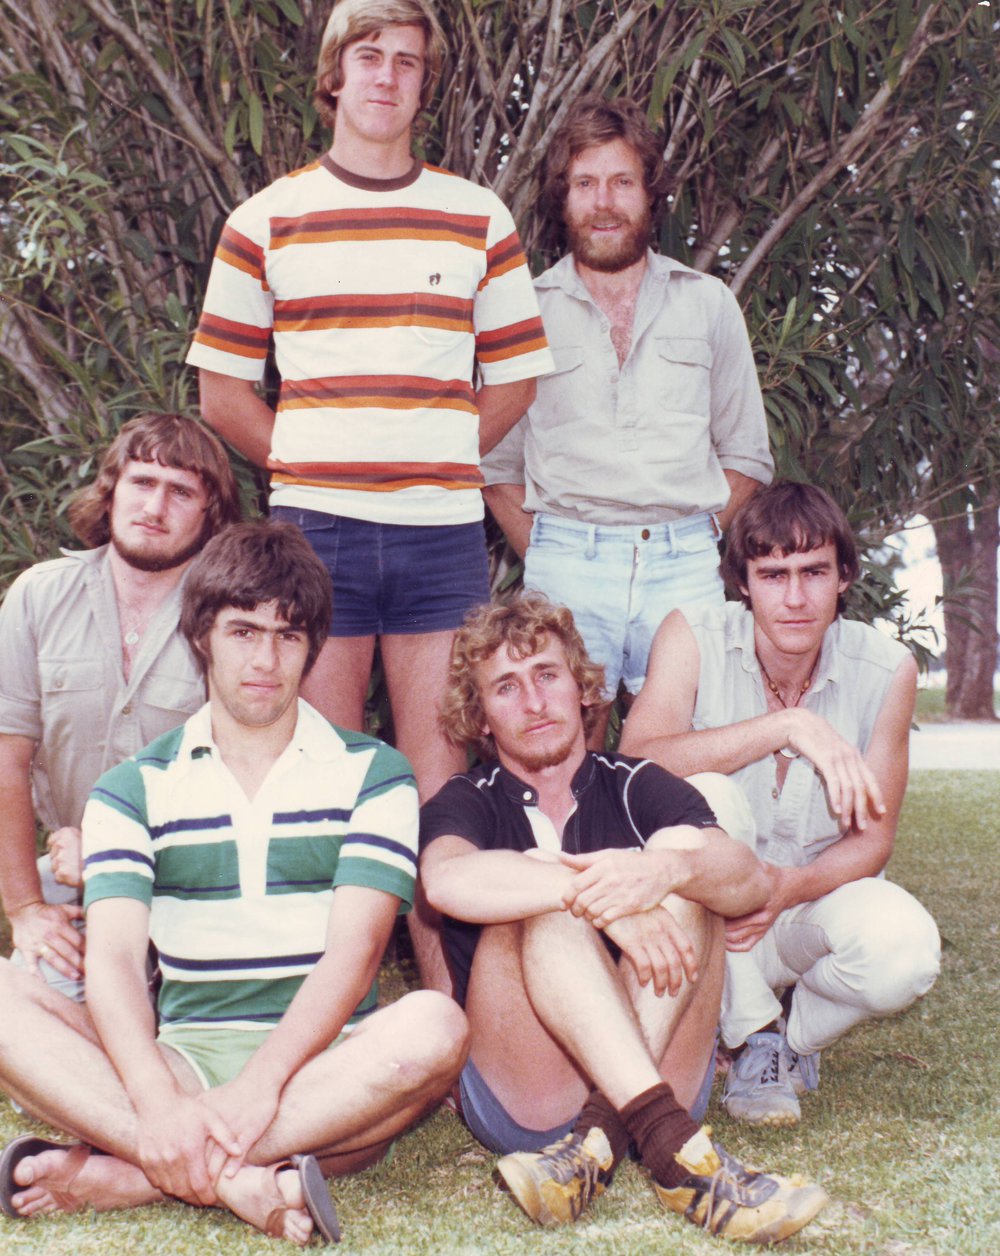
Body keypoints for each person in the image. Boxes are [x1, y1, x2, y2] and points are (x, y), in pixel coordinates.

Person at [0, 521, 468, 1247]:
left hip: (323, 1070)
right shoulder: (131, 788)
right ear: (202, 637)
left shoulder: (374, 773)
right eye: (244, 632)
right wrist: (157, 1101)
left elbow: (355, 956)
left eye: (288, 635)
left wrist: (261, 1088)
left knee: (435, 1024)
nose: (266, 659)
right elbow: (116, 961)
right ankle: (232, 1176)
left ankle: (138, 1171)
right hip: (181, 1057)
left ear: (313, 647)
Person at [186, 0, 553, 808]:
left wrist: (439, 458)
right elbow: (222, 394)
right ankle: (329, 938)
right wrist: (318, 467)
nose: (387, 75)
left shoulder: (478, 217)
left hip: (442, 534)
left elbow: (517, 379)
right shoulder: (262, 220)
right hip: (315, 533)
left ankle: (434, 939)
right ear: (334, 75)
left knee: (439, 781)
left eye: (407, 61)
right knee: (317, 770)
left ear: (426, 86)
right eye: (369, 57)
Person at [419, 594, 828, 1243]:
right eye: (506, 687)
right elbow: (446, 880)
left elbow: (747, 880)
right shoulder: (467, 799)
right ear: (482, 718)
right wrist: (601, 902)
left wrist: (665, 874)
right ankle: (673, 1150)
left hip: (666, 1070)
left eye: (547, 675)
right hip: (521, 1094)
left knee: (692, 873)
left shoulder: (637, 783)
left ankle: (605, 1133)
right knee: (545, 908)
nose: (534, 701)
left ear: (581, 688)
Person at [622, 482, 941, 1127]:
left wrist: (784, 888)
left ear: (844, 576)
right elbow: (634, 763)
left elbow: (874, 842)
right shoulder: (693, 634)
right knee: (707, 798)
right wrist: (783, 728)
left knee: (906, 951)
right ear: (742, 582)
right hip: (709, 916)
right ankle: (748, 1033)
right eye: (772, 575)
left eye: (813, 572)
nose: (794, 598)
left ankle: (787, 1043)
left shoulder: (885, 668)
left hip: (799, 905)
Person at [482, 96, 773, 742]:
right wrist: (558, 551)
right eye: (585, 184)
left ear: (650, 195)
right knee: (557, 763)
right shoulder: (522, 313)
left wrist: (690, 541)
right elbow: (494, 466)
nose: (604, 201)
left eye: (621, 182)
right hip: (565, 563)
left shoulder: (708, 305)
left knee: (684, 773)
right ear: (563, 199)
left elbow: (748, 455)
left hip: (684, 571)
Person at [0, 412, 242, 1002]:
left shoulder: (233, 616)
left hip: (201, 889)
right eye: (142, 482)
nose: (154, 507)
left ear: (210, 515)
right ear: (111, 491)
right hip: (72, 884)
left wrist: (111, 852)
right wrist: (26, 907)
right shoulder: (39, 594)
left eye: (181, 491)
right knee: (31, 1023)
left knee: (208, 1037)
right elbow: (7, 756)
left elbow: (245, 781)